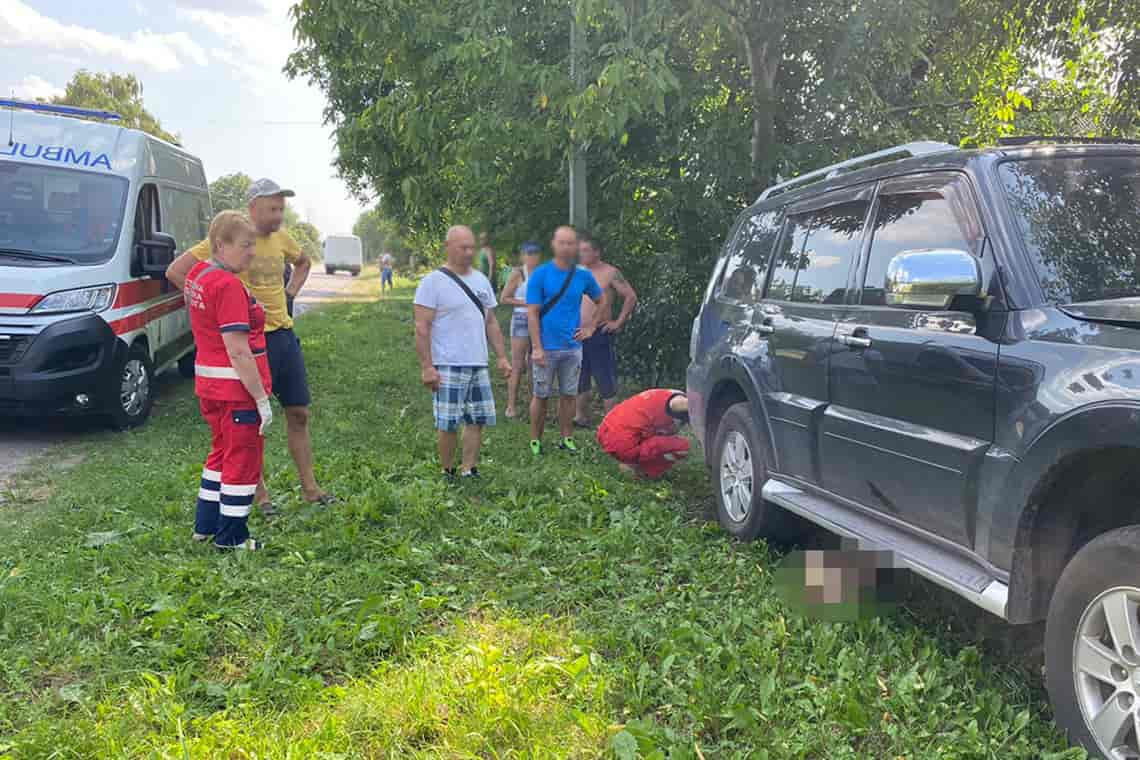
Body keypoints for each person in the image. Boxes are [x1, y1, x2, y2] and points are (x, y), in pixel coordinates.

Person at [167, 178, 334, 513]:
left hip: (284, 337)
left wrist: (290, 294)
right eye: (273, 209)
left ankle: (311, 489)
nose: (279, 216)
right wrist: (213, 310)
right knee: (251, 421)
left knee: (299, 412)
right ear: (254, 207)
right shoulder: (229, 240)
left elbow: (303, 263)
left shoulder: (282, 239)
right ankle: (261, 497)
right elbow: (177, 271)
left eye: (281, 209)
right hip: (250, 344)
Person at [185, 211, 273, 551]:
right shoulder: (228, 285)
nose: (252, 252)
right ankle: (232, 538)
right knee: (242, 459)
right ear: (221, 244)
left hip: (209, 385)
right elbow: (238, 350)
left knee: (220, 453)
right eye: (245, 245)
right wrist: (261, 399)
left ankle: (205, 526)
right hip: (236, 391)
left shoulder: (198, 274)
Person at [414, 225, 512, 479]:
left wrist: (501, 356)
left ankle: (469, 468)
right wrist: (427, 367)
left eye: (471, 247)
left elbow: (490, 321)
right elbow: (422, 327)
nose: (469, 252)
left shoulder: (481, 280)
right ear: (448, 247)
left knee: (477, 419)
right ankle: (448, 470)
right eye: (463, 247)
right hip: (447, 364)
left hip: (478, 363)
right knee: (448, 423)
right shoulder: (432, 282)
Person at [526, 226, 603, 456]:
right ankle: (535, 440)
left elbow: (602, 300)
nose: (567, 247)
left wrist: (590, 328)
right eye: (562, 243)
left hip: (572, 347)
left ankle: (566, 437)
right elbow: (532, 313)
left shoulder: (583, 275)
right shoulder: (541, 274)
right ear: (554, 244)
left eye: (571, 243)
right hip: (546, 347)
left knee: (569, 394)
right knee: (541, 395)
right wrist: (537, 347)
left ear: (576, 246)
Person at [574, 231, 638, 428]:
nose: (581, 254)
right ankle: (580, 416)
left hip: (599, 331)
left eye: (585, 250)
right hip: (576, 332)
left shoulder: (610, 272)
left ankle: (611, 421)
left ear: (596, 252)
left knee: (604, 376)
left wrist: (618, 322)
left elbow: (630, 296)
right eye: (580, 250)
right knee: (579, 375)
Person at [596, 390, 690, 480]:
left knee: (661, 437)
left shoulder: (659, 395)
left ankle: (630, 461)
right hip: (622, 442)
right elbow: (680, 404)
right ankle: (645, 470)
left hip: (606, 431)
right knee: (683, 447)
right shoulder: (676, 400)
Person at [498, 241, 542, 419]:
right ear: (523, 256)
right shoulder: (518, 274)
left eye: (535, 254)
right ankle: (511, 406)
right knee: (517, 364)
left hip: (539, 320)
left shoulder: (542, 273)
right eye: (528, 254)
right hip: (521, 319)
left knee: (535, 364)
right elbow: (504, 298)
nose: (532, 257)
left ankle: (535, 404)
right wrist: (527, 302)